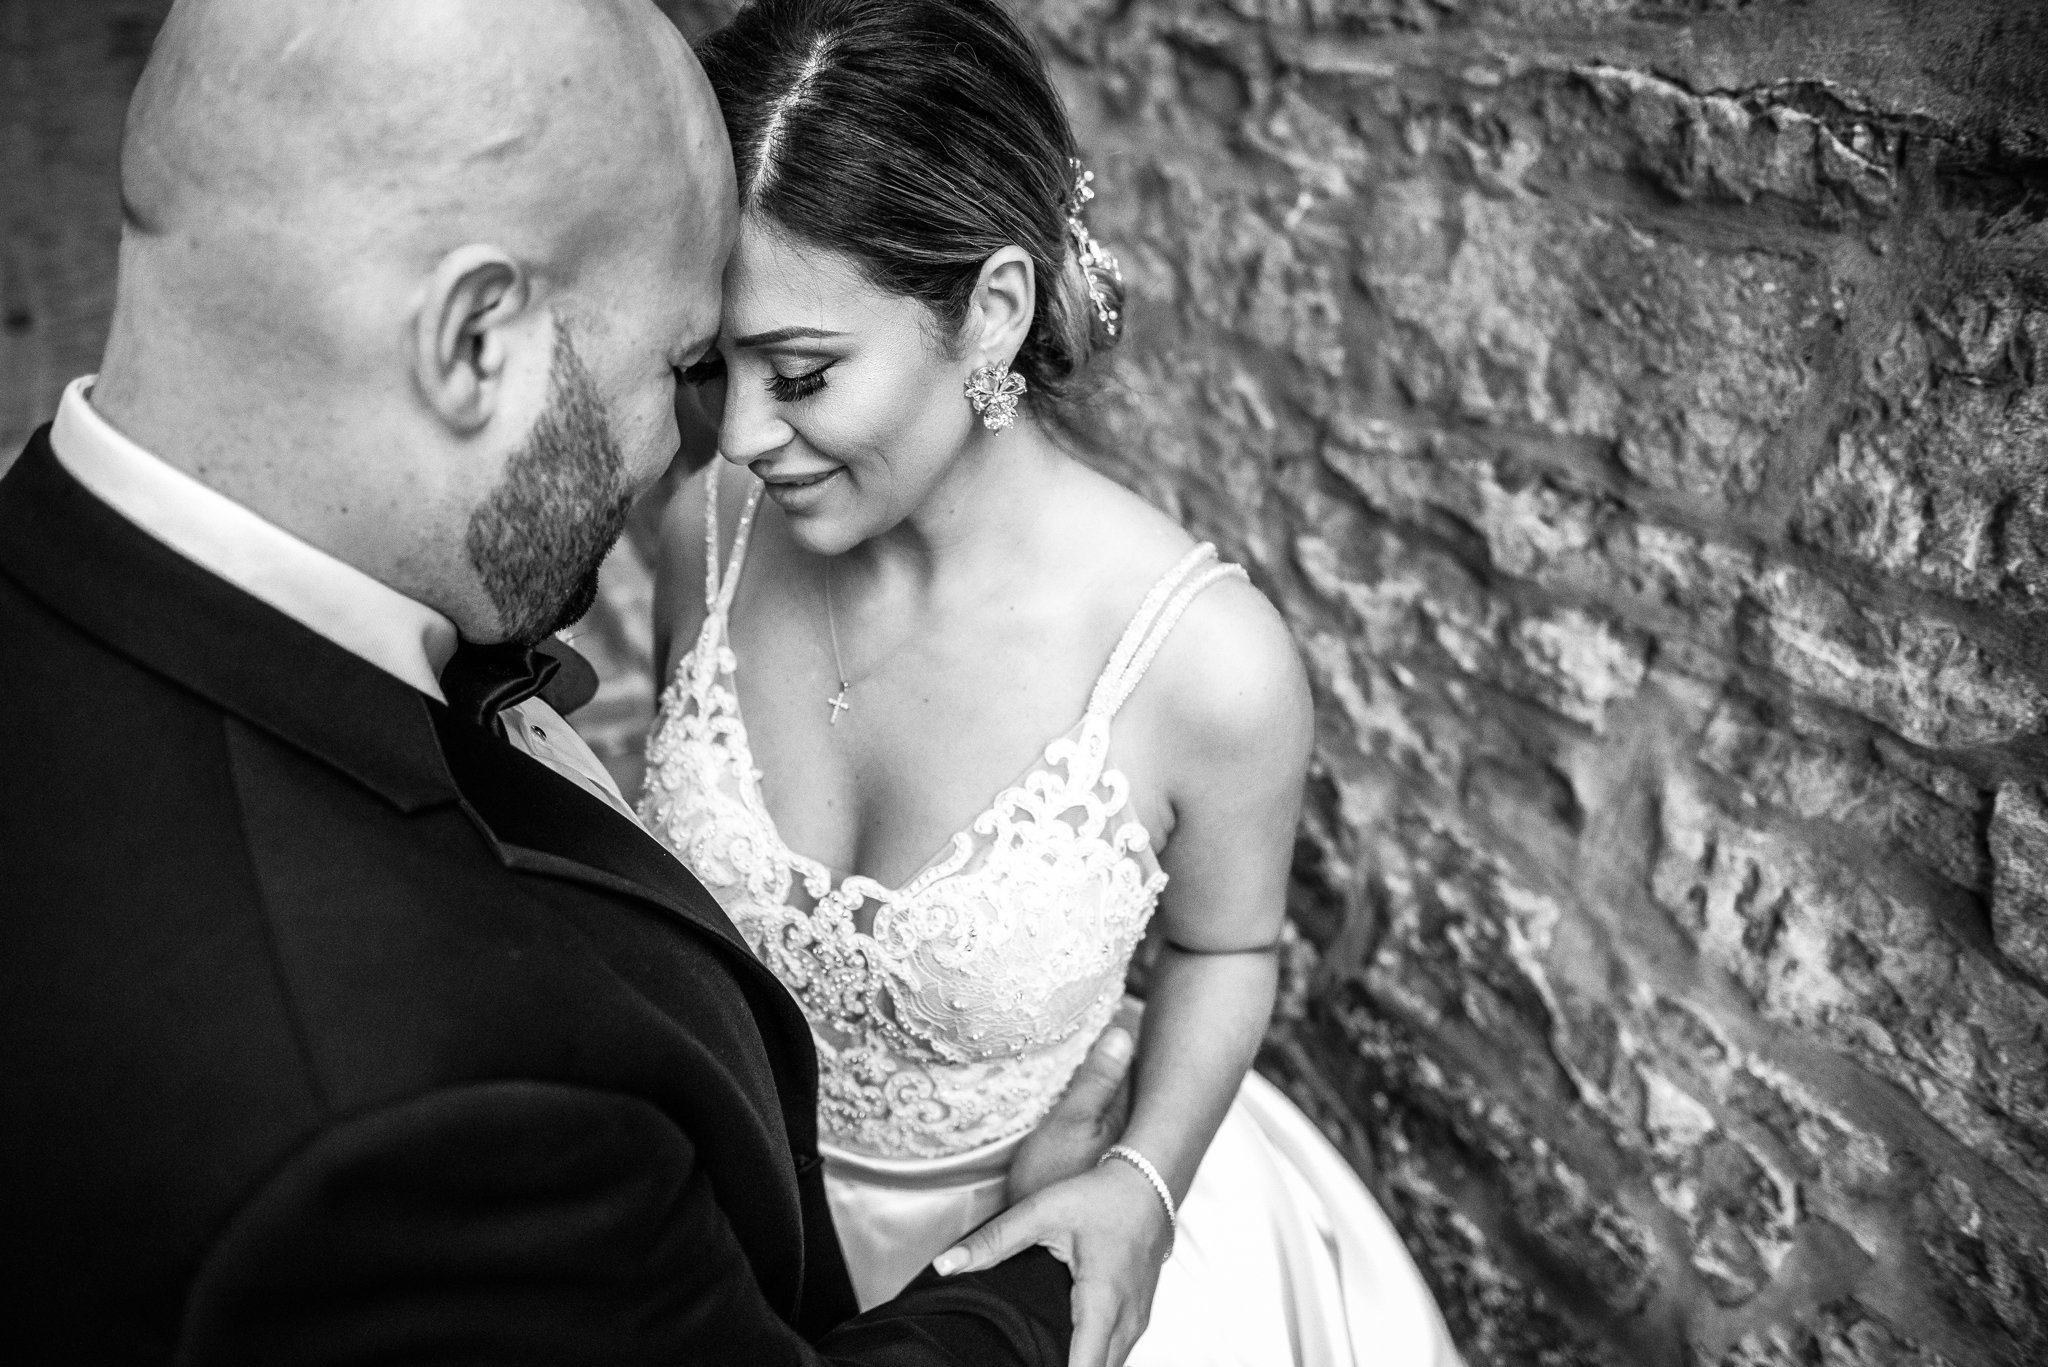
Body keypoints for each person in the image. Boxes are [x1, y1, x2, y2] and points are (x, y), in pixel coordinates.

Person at [0, 1, 1130, 1362]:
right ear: (478, 340)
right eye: (681, 367)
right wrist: (1043, 1288)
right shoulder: (408, 1120)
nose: (702, 445)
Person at [639, 1, 1466, 1364]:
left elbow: (1225, 949)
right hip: (713, 1235)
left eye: (800, 373)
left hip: (1024, 1270)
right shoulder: (707, 535)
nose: (737, 433)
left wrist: (1143, 1181)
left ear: (992, 312)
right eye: (710, 365)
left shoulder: (1208, 665)